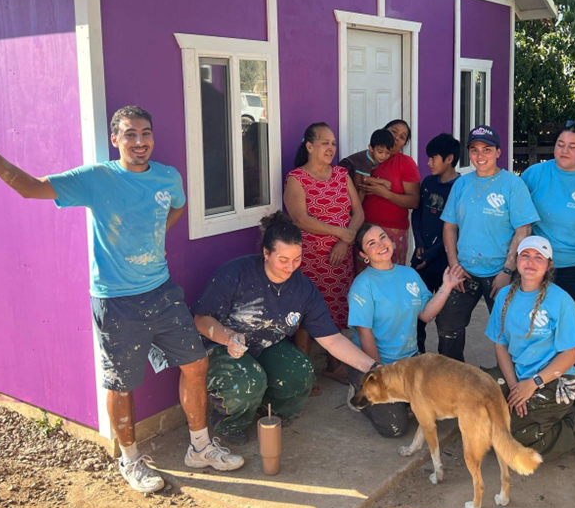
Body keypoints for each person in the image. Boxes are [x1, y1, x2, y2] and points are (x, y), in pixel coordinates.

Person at [0, 107, 240, 493]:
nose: (139, 142)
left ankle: (200, 447)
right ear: (115, 139)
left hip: (162, 291)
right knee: (121, 383)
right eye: (129, 134)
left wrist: (155, 236)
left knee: (196, 363)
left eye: (145, 133)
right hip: (116, 300)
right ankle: (130, 461)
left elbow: (178, 205)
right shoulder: (97, 178)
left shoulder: (168, 176)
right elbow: (30, 187)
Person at [192, 212, 383, 443]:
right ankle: (230, 423)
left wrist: (373, 367)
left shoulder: (303, 289)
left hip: (264, 345)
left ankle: (266, 410)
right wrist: (228, 337)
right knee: (249, 380)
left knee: (301, 371)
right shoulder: (237, 273)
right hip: (220, 346)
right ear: (265, 253)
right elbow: (201, 319)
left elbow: (331, 339)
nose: (290, 267)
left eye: (297, 259)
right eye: (283, 259)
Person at [488, 236, 575, 459]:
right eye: (526, 255)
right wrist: (515, 387)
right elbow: (500, 344)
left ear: (549, 265)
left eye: (538, 257)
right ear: (516, 260)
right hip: (518, 375)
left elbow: (572, 353)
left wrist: (533, 383)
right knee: (480, 409)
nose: (531, 262)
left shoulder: (560, 300)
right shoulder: (504, 296)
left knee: (514, 443)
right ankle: (539, 418)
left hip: (552, 380)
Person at [522, 120, 575, 410]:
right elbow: (518, 219)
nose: (564, 150)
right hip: (536, 268)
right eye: (560, 144)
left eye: (573, 146)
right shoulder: (535, 174)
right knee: (536, 331)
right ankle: (538, 394)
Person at [348, 223, 460, 437]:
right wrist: (378, 374)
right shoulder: (363, 286)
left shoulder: (409, 274)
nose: (381, 244)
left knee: (442, 406)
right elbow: (365, 334)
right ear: (364, 254)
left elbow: (426, 314)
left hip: (409, 362)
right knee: (394, 428)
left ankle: (404, 400)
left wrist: (447, 286)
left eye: (383, 237)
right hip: (374, 363)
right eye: (372, 243)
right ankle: (357, 388)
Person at [441, 125, 540, 363]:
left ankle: (509, 386)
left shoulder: (512, 185)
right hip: (465, 271)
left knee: (510, 331)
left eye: (487, 149)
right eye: (474, 150)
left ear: (498, 152)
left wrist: (508, 270)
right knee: (448, 328)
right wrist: (454, 266)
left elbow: (523, 229)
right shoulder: (462, 184)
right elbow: (449, 226)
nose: (480, 155)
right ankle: (454, 384)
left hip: (500, 273)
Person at [285, 122, 364, 392]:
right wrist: (341, 233)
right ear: (309, 146)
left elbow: (359, 213)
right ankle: (304, 375)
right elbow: (299, 219)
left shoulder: (341, 174)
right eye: (324, 143)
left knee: (336, 311)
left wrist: (346, 239)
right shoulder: (297, 178)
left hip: (339, 260)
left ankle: (333, 365)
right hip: (310, 260)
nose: (331, 148)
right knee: (306, 314)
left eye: (333, 143)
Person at [410, 133, 463, 354]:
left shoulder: (461, 186)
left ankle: (449, 366)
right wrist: (420, 243)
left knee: (447, 321)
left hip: (445, 263)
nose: (429, 163)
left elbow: (456, 230)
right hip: (421, 258)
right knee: (415, 315)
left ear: (449, 158)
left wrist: (430, 254)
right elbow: (417, 214)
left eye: (433, 158)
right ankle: (416, 356)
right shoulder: (429, 182)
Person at [356, 127, 421, 266]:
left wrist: (385, 193)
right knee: (366, 275)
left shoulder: (405, 163)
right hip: (365, 228)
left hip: (394, 230)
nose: (397, 138)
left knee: (391, 274)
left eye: (403, 137)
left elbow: (414, 202)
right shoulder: (366, 160)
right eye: (394, 132)